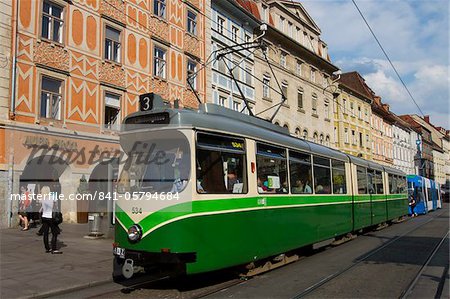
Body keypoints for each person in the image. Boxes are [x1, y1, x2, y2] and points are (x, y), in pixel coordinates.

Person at [39, 186, 62, 254]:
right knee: (55, 232)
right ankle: (54, 249)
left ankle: (47, 248)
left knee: (45, 233)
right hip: (51, 217)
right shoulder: (52, 197)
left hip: (44, 217)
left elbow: (41, 205)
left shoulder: (42, 198)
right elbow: (56, 205)